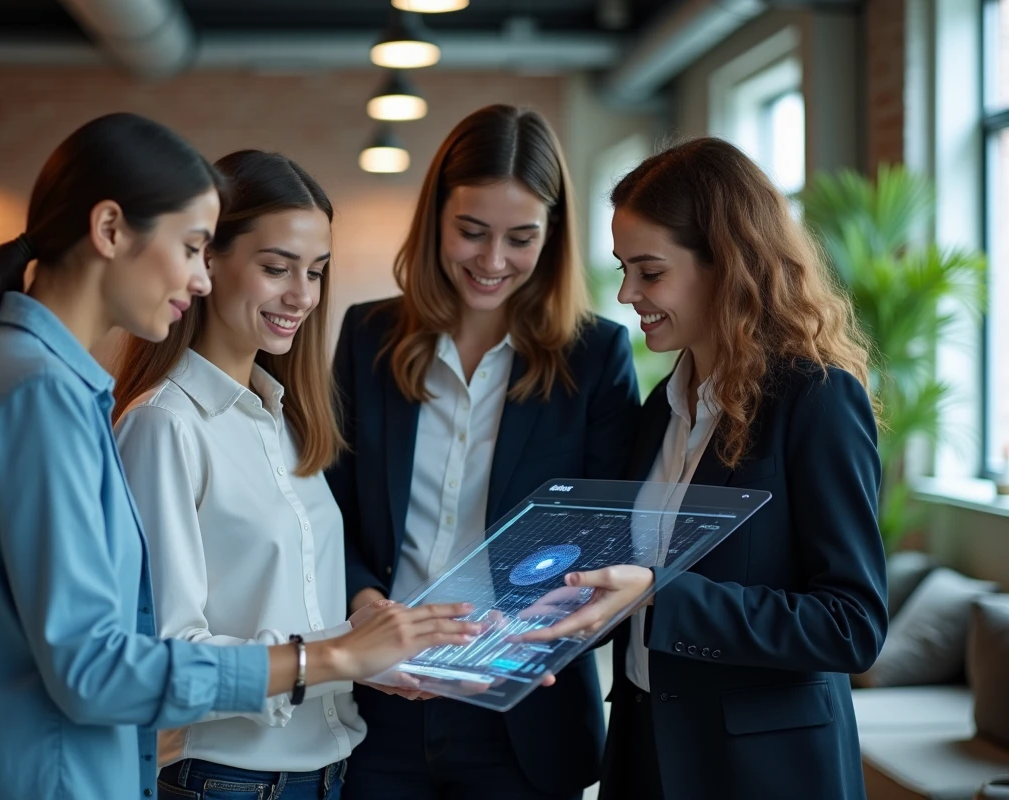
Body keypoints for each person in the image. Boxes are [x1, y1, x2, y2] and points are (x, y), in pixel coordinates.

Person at [0, 114, 481, 800]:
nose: (196, 279)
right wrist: (330, 656)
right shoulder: (48, 393)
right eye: (193, 248)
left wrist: (356, 655)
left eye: (314, 273)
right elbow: (98, 667)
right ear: (110, 231)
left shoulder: (59, 385)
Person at [518, 137, 888, 800]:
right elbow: (625, 575)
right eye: (623, 268)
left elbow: (850, 626)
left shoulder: (817, 398)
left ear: (724, 262)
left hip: (765, 774)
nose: (627, 292)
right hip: (643, 750)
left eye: (649, 271)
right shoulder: (662, 405)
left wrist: (661, 592)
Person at [327, 104, 640, 800]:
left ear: (552, 235)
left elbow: (615, 535)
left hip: (523, 714)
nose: (493, 262)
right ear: (436, 216)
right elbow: (331, 505)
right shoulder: (367, 337)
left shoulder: (596, 357)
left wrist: (539, 628)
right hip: (379, 700)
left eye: (520, 238)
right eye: (471, 232)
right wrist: (363, 605)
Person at [113, 150, 377, 800]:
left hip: (327, 771)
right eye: (275, 268)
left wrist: (378, 652)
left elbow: (298, 612)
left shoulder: (285, 422)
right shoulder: (164, 426)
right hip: (225, 781)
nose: (302, 296)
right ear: (206, 261)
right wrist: (338, 656)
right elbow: (169, 654)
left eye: (315, 272)